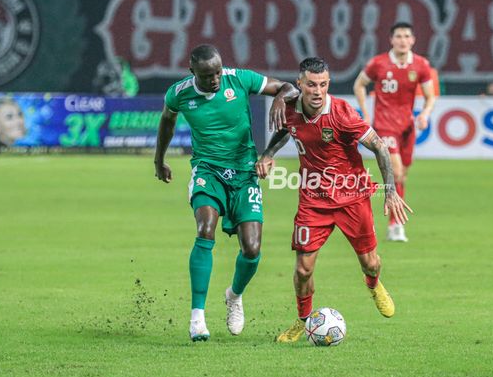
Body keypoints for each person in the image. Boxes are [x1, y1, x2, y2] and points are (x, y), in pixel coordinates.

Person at [257, 57, 413, 343]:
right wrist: (268, 154)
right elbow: (286, 130)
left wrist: (390, 190)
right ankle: (304, 320)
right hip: (313, 199)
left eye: (324, 85)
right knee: (303, 269)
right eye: (312, 85)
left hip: (352, 198)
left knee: (371, 263)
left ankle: (374, 284)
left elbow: (379, 146)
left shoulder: (342, 113)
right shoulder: (291, 109)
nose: (318, 91)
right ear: (300, 84)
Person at [154, 44, 298, 342]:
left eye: (218, 72)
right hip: (208, 171)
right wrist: (159, 160)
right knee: (205, 230)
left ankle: (234, 295)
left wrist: (281, 98)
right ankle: (197, 317)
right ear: (192, 71)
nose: (216, 79)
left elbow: (288, 87)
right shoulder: (179, 93)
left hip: (245, 173)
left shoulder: (239, 79)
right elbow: (167, 121)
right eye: (208, 75)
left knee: (252, 249)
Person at [353, 22, 436, 242]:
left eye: (406, 36)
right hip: (385, 125)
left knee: (403, 175)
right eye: (398, 36)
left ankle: (395, 220)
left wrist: (425, 114)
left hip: (407, 127)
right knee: (397, 173)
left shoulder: (420, 65)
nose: (402, 40)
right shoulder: (378, 63)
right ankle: (395, 225)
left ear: (413, 40)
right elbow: (359, 84)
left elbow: (430, 95)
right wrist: (366, 113)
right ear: (391, 40)